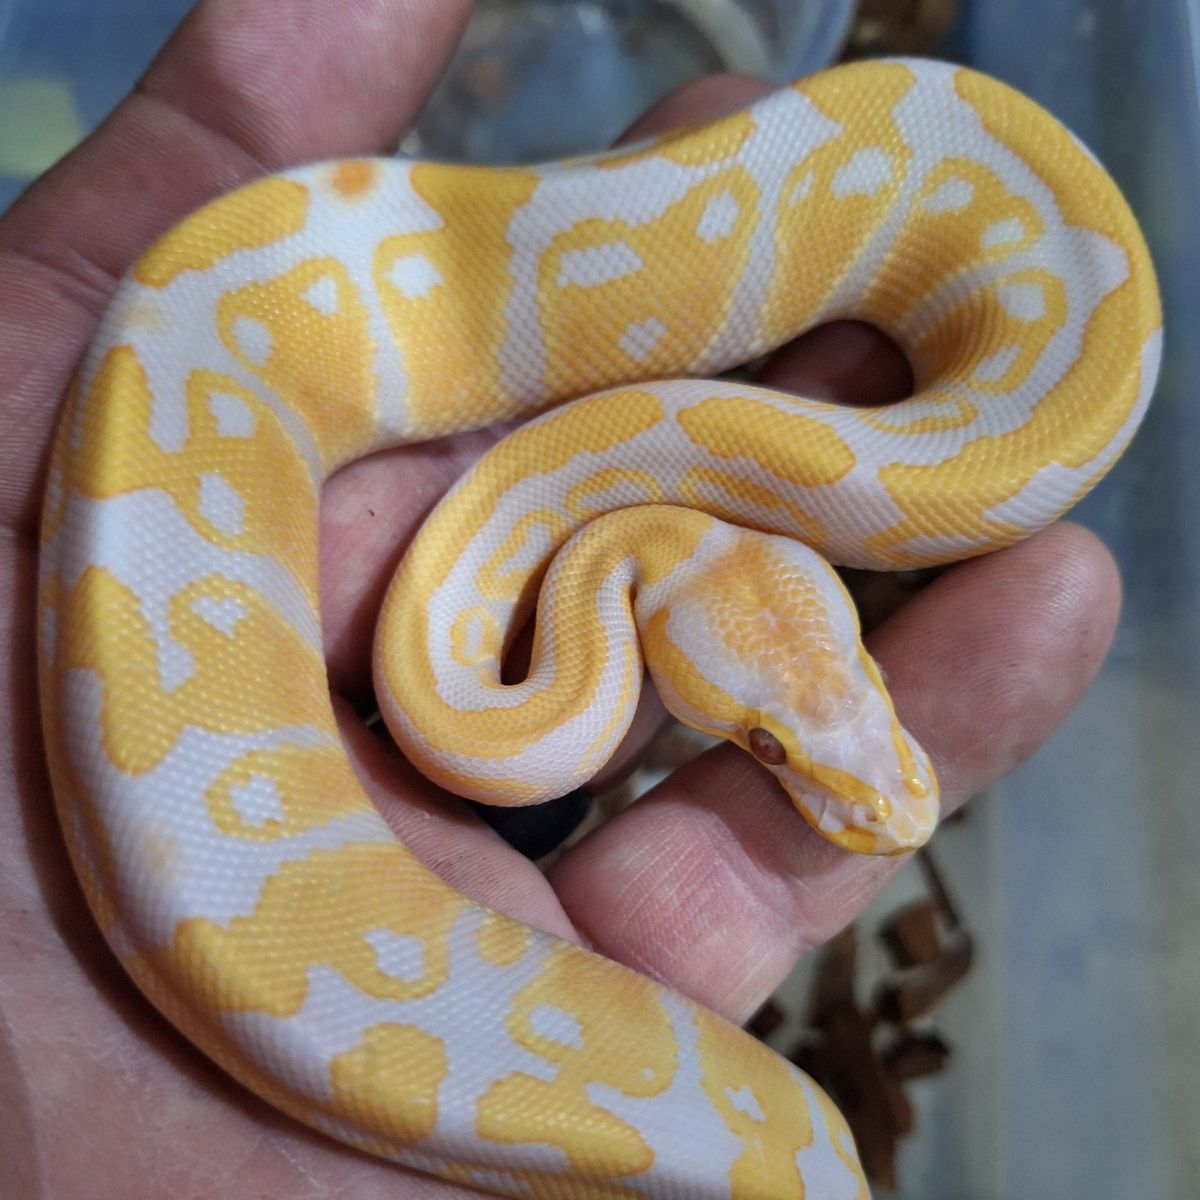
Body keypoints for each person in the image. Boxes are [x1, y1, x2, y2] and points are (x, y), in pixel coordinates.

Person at [0, 1, 1123, 1195]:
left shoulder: (603, 571)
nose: (867, 798)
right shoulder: (595, 597)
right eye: (764, 739)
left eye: (787, 729)